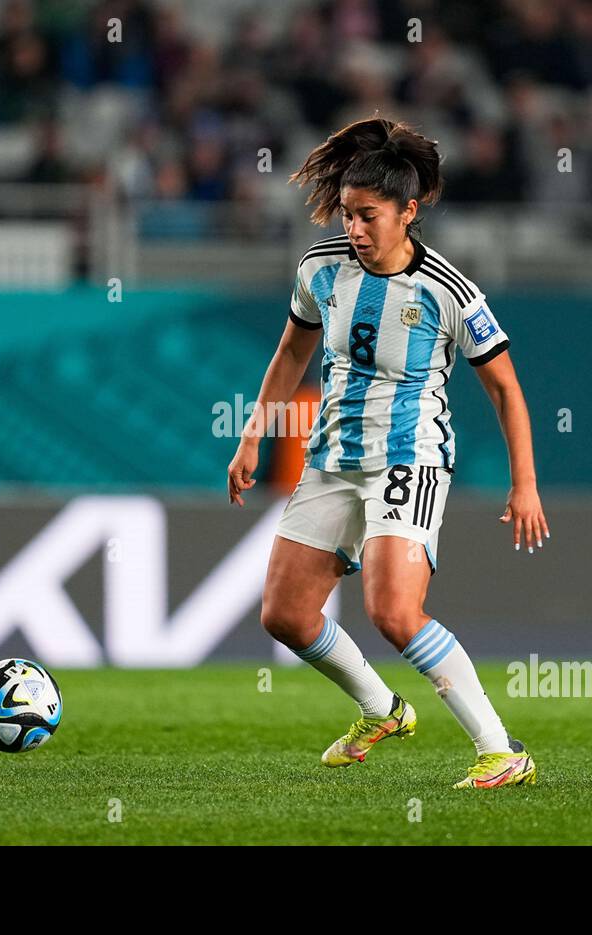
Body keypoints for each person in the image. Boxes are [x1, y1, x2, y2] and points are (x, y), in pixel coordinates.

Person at [227, 116, 549, 789]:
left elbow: (507, 389)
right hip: (331, 461)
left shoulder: (450, 292)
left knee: (394, 612)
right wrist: (255, 431)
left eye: (368, 215)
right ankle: (382, 708)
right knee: (283, 613)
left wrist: (525, 484)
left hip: (410, 458)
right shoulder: (321, 269)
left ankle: (501, 750)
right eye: (347, 213)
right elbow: (292, 350)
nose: (355, 228)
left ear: (409, 210)